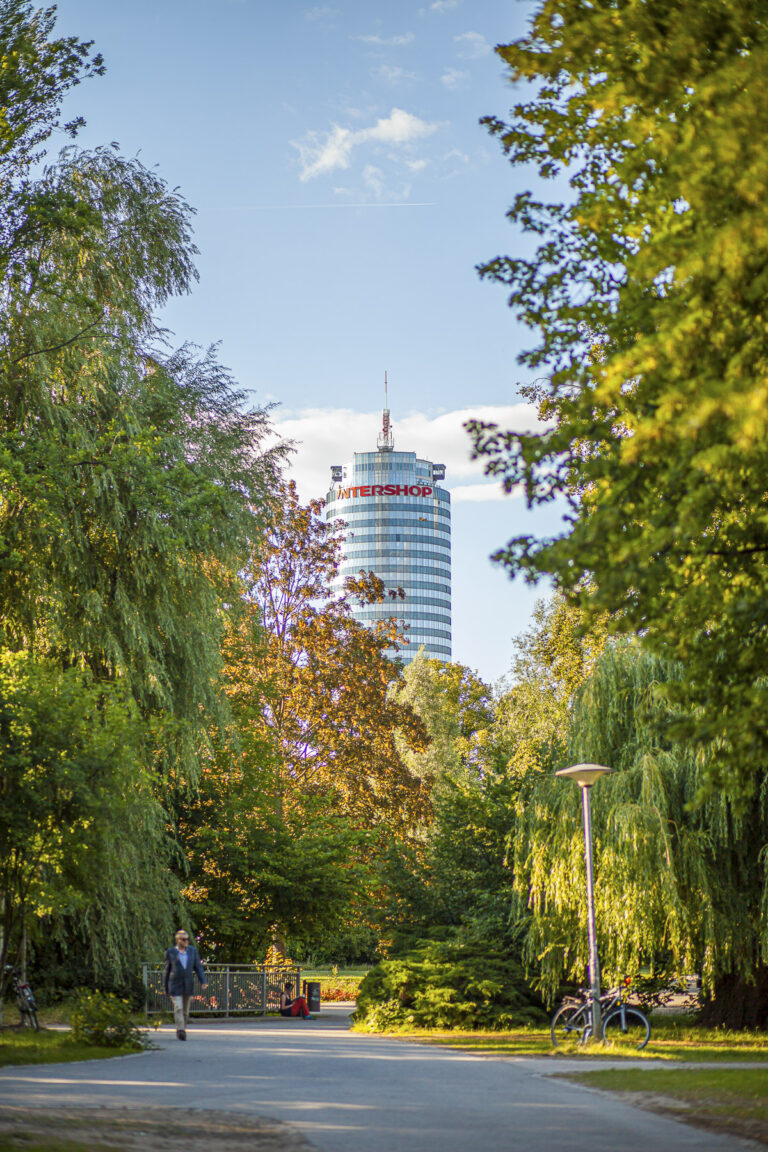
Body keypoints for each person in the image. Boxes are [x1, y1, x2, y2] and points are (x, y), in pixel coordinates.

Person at [164, 929, 207, 1040]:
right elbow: (167, 971)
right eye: (184, 939)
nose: (186, 941)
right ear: (178, 940)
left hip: (188, 985)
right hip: (175, 984)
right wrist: (166, 987)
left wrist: (203, 981)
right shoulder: (171, 952)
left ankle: (182, 1027)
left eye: (187, 939)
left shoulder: (192, 951)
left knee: (185, 1011)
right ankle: (181, 1030)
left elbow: (198, 967)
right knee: (178, 1007)